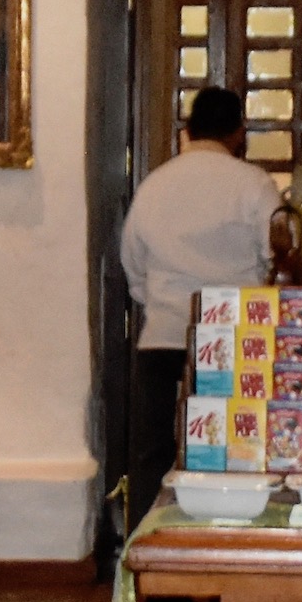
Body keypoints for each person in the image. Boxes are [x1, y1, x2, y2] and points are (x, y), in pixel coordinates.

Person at [118, 88, 285, 510]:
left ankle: (143, 550)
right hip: (235, 341)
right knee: (236, 451)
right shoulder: (253, 184)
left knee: (152, 456)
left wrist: (160, 302)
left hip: (162, 339)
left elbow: (133, 264)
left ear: (188, 131)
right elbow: (280, 254)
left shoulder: (154, 185)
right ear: (239, 133)